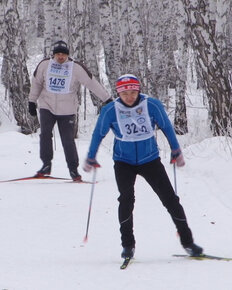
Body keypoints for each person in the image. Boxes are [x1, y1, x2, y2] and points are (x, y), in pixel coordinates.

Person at [83, 74, 203, 259]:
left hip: (150, 160)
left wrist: (175, 149)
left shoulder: (151, 105)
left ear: (138, 90)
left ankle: (188, 242)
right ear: (118, 93)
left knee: (170, 200)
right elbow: (98, 134)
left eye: (133, 92)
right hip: (123, 162)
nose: (129, 97)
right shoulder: (110, 110)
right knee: (126, 200)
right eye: (125, 93)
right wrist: (91, 156)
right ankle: (128, 245)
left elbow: (166, 127)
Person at [28, 40, 112, 181]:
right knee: (45, 134)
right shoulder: (45, 65)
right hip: (46, 106)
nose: (61, 57)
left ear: (68, 55)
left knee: (68, 140)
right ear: (54, 54)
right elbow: (36, 83)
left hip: (67, 110)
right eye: (58, 54)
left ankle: (73, 169)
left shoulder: (75, 67)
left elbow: (91, 83)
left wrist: (107, 99)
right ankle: (46, 165)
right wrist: (31, 101)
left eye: (64, 55)